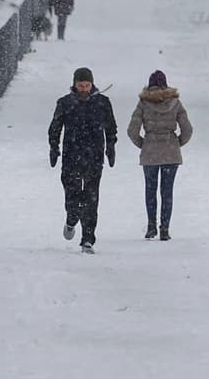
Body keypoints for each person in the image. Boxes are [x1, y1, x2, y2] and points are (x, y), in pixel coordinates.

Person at [49, 67, 117, 253]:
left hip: (94, 157)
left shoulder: (102, 103)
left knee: (91, 198)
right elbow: (55, 127)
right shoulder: (65, 103)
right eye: (81, 85)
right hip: (71, 156)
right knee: (72, 196)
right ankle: (72, 218)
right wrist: (54, 147)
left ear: (92, 84)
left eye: (87, 85)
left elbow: (111, 127)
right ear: (75, 84)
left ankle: (88, 239)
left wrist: (111, 146)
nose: (84, 89)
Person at [126, 70, 192, 240]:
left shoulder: (143, 103)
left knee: (150, 190)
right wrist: (177, 142)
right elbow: (188, 129)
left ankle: (151, 226)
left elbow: (132, 130)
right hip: (171, 152)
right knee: (167, 191)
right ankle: (165, 228)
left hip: (150, 153)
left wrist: (144, 143)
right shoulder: (176, 103)